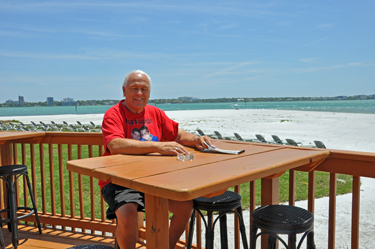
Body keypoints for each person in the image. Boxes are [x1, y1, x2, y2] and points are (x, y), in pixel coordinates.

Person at [100, 70, 215, 249]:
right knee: (128, 215)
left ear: (149, 93)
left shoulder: (156, 113)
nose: (139, 93)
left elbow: (178, 134)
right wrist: (158, 146)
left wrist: (196, 139)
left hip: (155, 180)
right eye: (134, 88)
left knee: (184, 207)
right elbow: (115, 145)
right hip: (120, 180)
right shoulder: (113, 114)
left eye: (144, 89)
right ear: (124, 91)